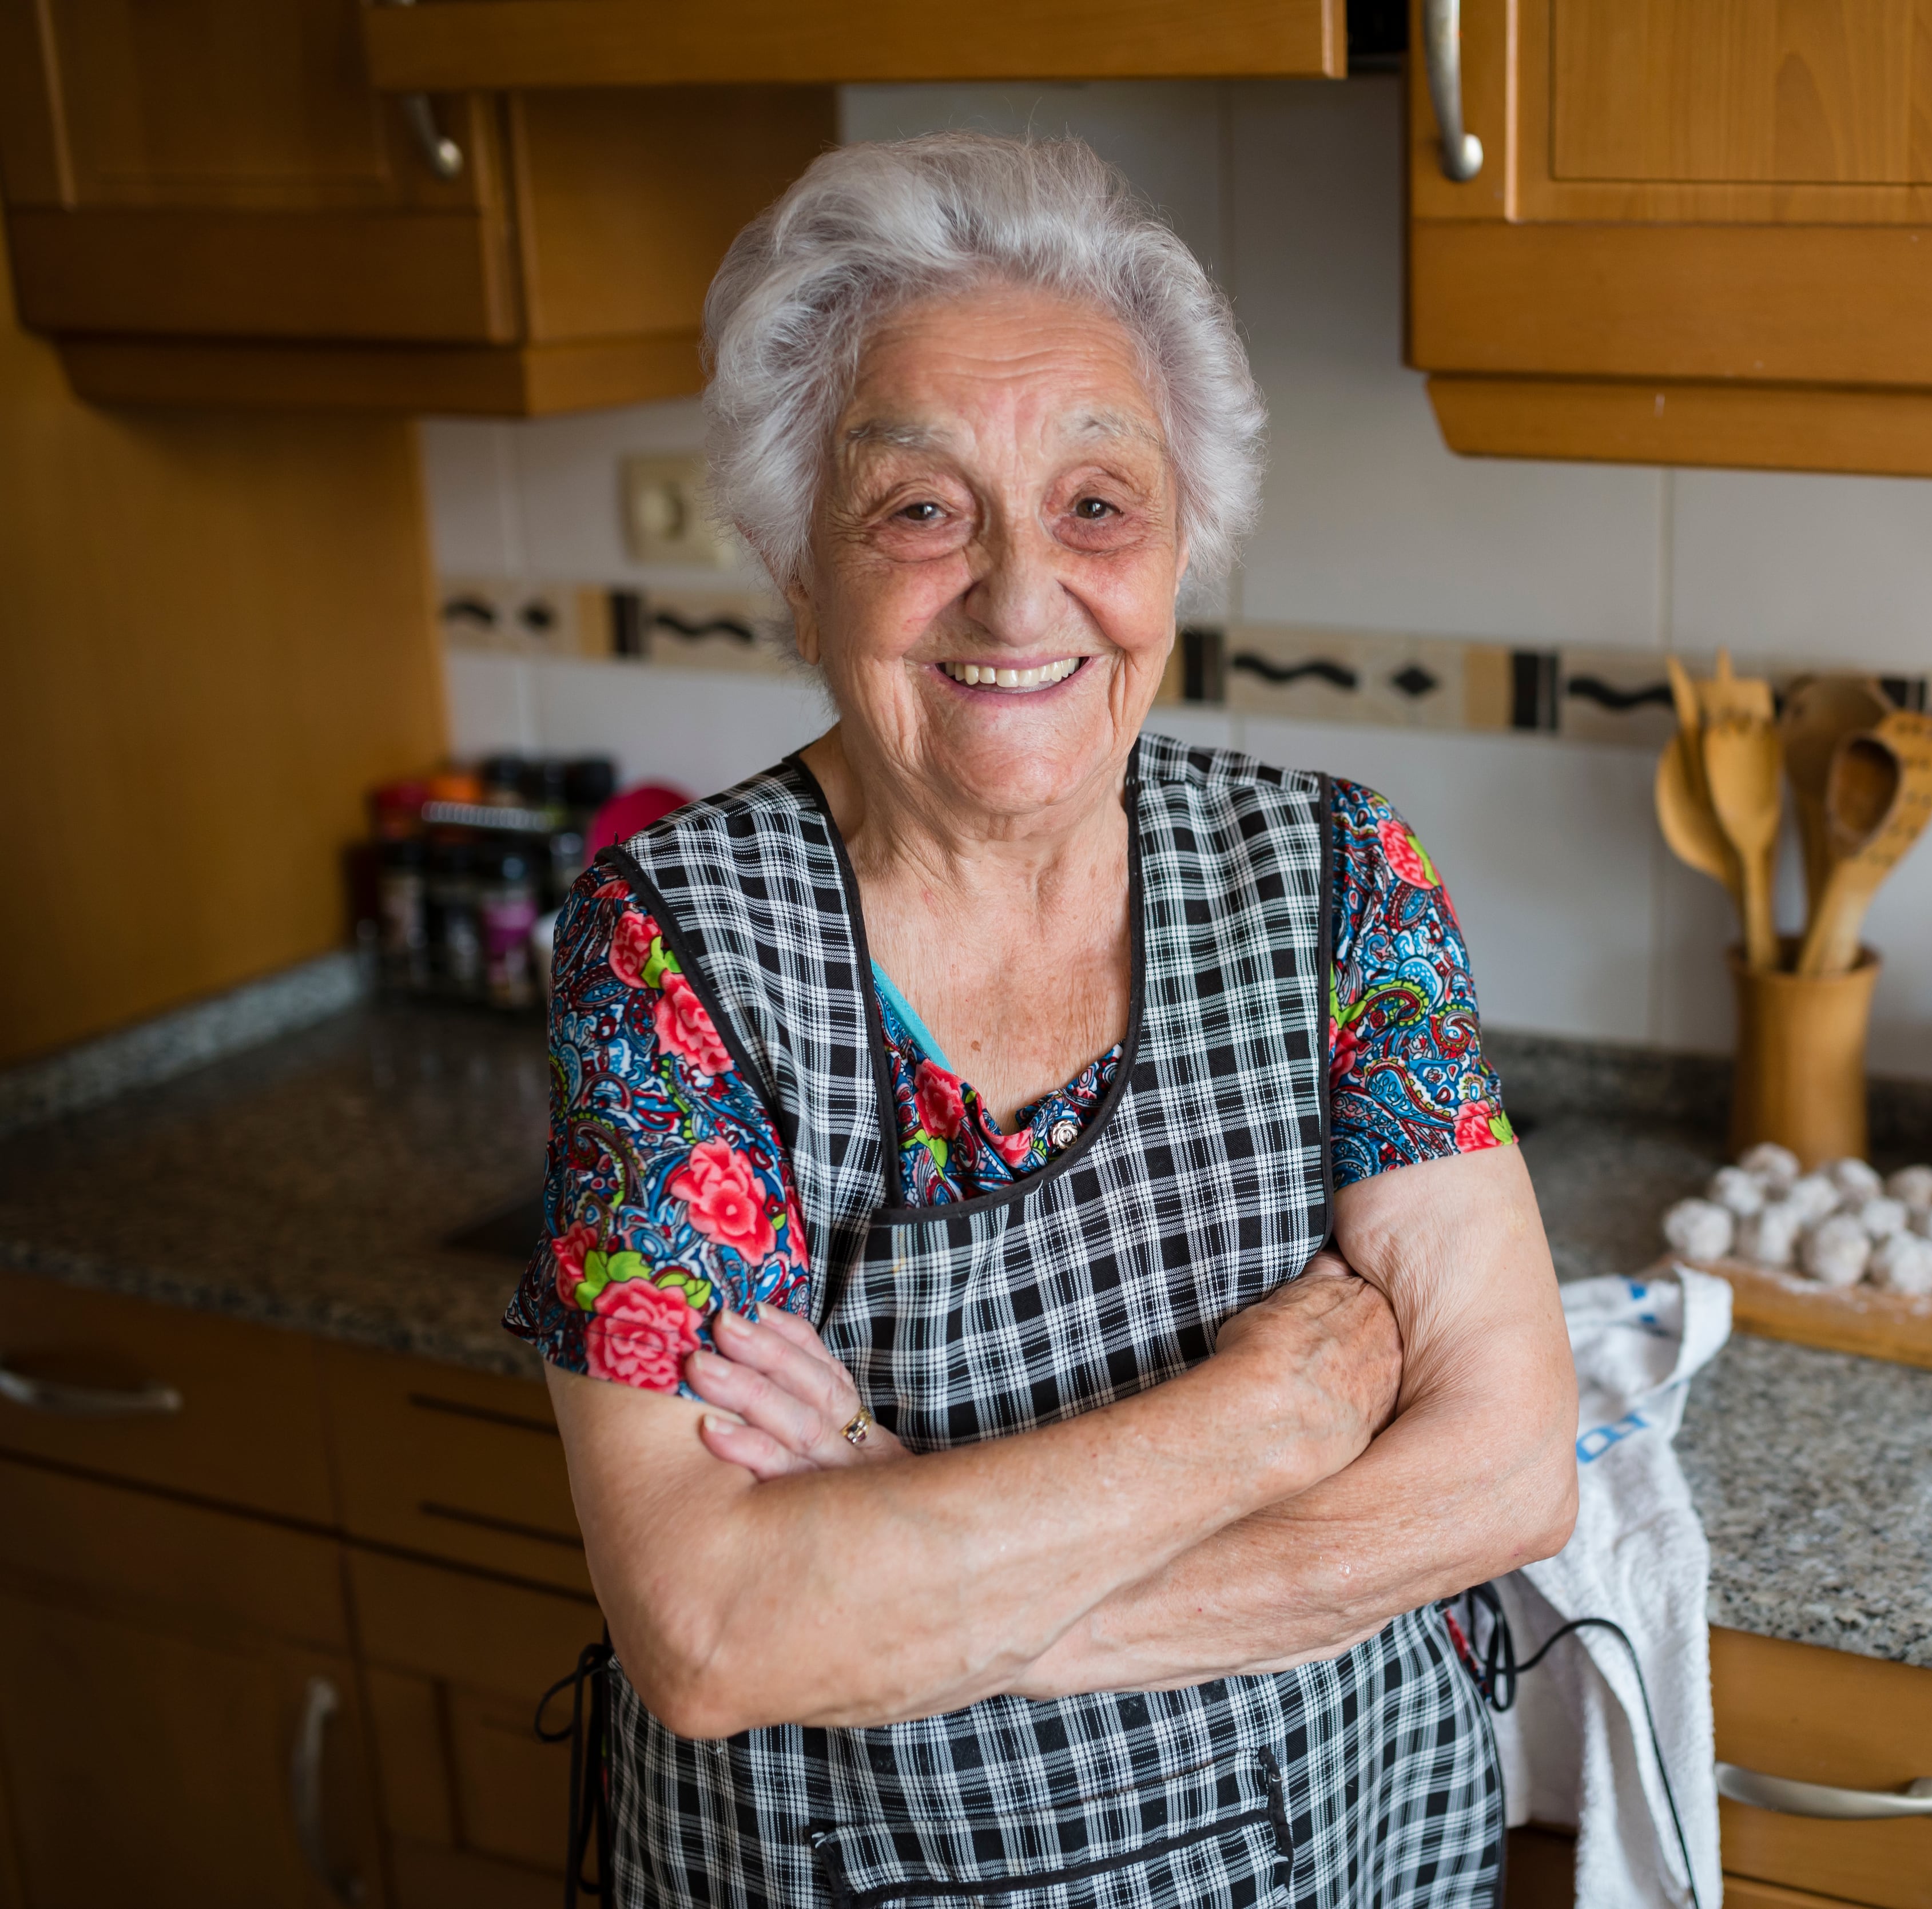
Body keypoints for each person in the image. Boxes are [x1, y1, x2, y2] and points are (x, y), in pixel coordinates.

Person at [501, 130, 1578, 1907]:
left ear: (1179, 548)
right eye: (922, 508)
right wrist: (1274, 1416)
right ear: (796, 559)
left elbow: (1510, 1469)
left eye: (1097, 503)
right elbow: (713, 1634)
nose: (1019, 592)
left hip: (1349, 1853)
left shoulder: (1337, 882)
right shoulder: (671, 954)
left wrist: (927, 1584)